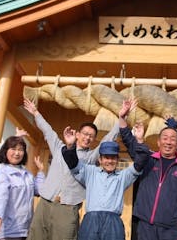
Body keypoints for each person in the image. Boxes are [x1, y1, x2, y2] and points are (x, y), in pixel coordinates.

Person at [23, 98, 120, 240]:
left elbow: (108, 139)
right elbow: (48, 131)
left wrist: (122, 118)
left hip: (68, 207)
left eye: (91, 136)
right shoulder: (59, 147)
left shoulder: (91, 158)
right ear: (78, 134)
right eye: (85, 134)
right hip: (45, 202)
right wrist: (36, 112)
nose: (87, 138)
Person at [61, 102, 150, 240]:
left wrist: (139, 140)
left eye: (113, 158)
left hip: (113, 222)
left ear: (117, 160)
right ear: (100, 160)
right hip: (91, 221)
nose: (109, 161)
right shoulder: (90, 172)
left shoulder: (122, 177)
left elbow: (140, 163)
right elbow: (73, 164)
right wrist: (70, 145)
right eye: (106, 158)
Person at [118, 99, 177, 240]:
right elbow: (129, 141)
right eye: (165, 138)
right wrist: (122, 118)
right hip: (145, 224)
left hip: (171, 228)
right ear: (158, 142)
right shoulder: (148, 158)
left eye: (172, 139)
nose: (168, 142)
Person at [0, 135, 46, 240]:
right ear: (5, 151)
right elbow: (0, 196)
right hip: (6, 231)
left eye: (20, 150)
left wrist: (41, 172)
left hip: (24, 230)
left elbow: (40, 191)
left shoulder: (27, 174)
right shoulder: (2, 174)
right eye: (13, 149)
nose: (17, 153)